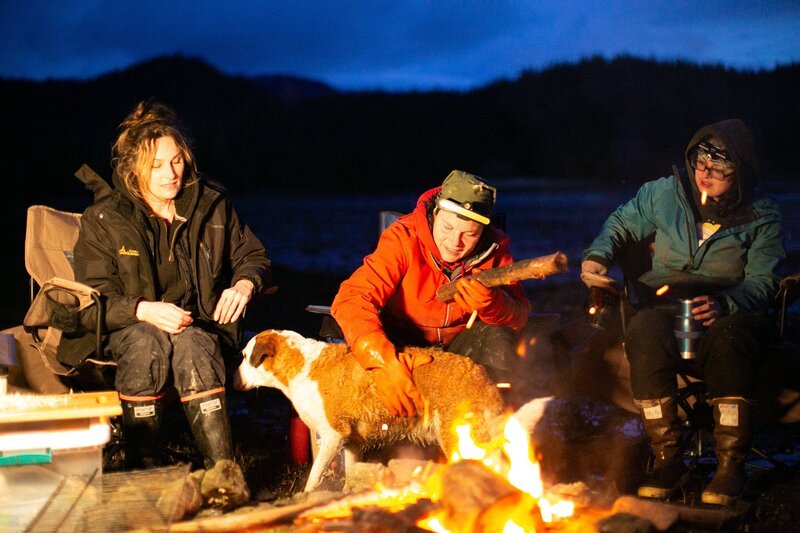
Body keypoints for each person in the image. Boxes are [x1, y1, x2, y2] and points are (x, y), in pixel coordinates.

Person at [582, 119, 784, 505]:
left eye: (719, 166)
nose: (705, 174)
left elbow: (764, 281)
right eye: (700, 161)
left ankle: (728, 464)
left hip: (732, 309)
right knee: (645, 329)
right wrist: (597, 258)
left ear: (740, 171)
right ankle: (667, 457)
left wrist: (728, 303)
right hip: (671, 303)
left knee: (730, 338)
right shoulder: (664, 194)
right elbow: (621, 224)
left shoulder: (762, 215)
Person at [73, 100, 272, 471]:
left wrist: (245, 283)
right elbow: (91, 301)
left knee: (195, 344)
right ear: (134, 169)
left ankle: (222, 472)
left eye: (177, 160)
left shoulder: (211, 203)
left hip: (197, 325)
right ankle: (144, 467)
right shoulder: (104, 219)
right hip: (128, 329)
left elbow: (253, 256)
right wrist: (141, 310)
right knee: (147, 342)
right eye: (157, 165)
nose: (171, 174)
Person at [331, 170, 531, 418]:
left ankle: (490, 424)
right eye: (447, 227)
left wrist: (494, 304)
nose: (454, 242)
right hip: (403, 344)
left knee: (497, 335)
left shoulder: (496, 249)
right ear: (435, 214)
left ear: (482, 232)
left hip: (461, 347)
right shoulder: (403, 238)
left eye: (469, 234)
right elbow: (352, 298)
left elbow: (520, 317)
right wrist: (381, 362)